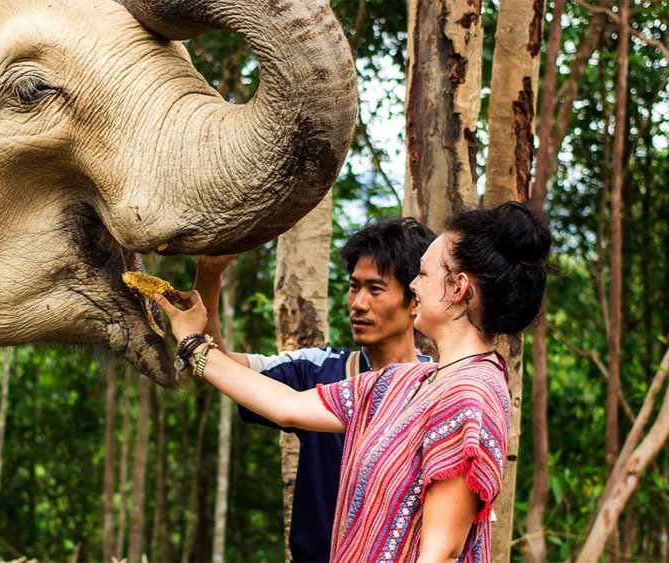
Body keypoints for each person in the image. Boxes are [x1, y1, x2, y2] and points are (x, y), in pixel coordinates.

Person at [155, 202, 551, 562]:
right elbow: (286, 404)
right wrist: (193, 343)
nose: (414, 284)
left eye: (424, 274)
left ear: (459, 288)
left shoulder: (469, 395)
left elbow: (441, 553)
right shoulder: (405, 382)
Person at [193, 218, 435, 562]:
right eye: (354, 287)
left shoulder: (439, 389)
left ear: (414, 300)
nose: (358, 303)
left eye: (376, 289)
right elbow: (216, 366)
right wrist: (209, 275)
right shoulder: (319, 370)